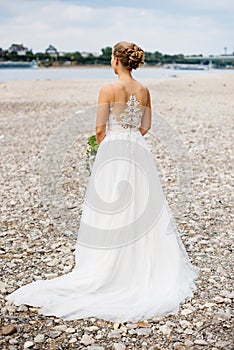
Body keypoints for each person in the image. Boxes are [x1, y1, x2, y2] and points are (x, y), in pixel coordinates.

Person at [5, 41, 199, 322]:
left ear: (117, 61)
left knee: (110, 205)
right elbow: (146, 126)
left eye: (111, 57)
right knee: (142, 204)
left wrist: (105, 147)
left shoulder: (108, 89)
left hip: (114, 148)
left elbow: (99, 128)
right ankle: (144, 262)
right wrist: (131, 139)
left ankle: (110, 264)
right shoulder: (143, 90)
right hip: (138, 150)